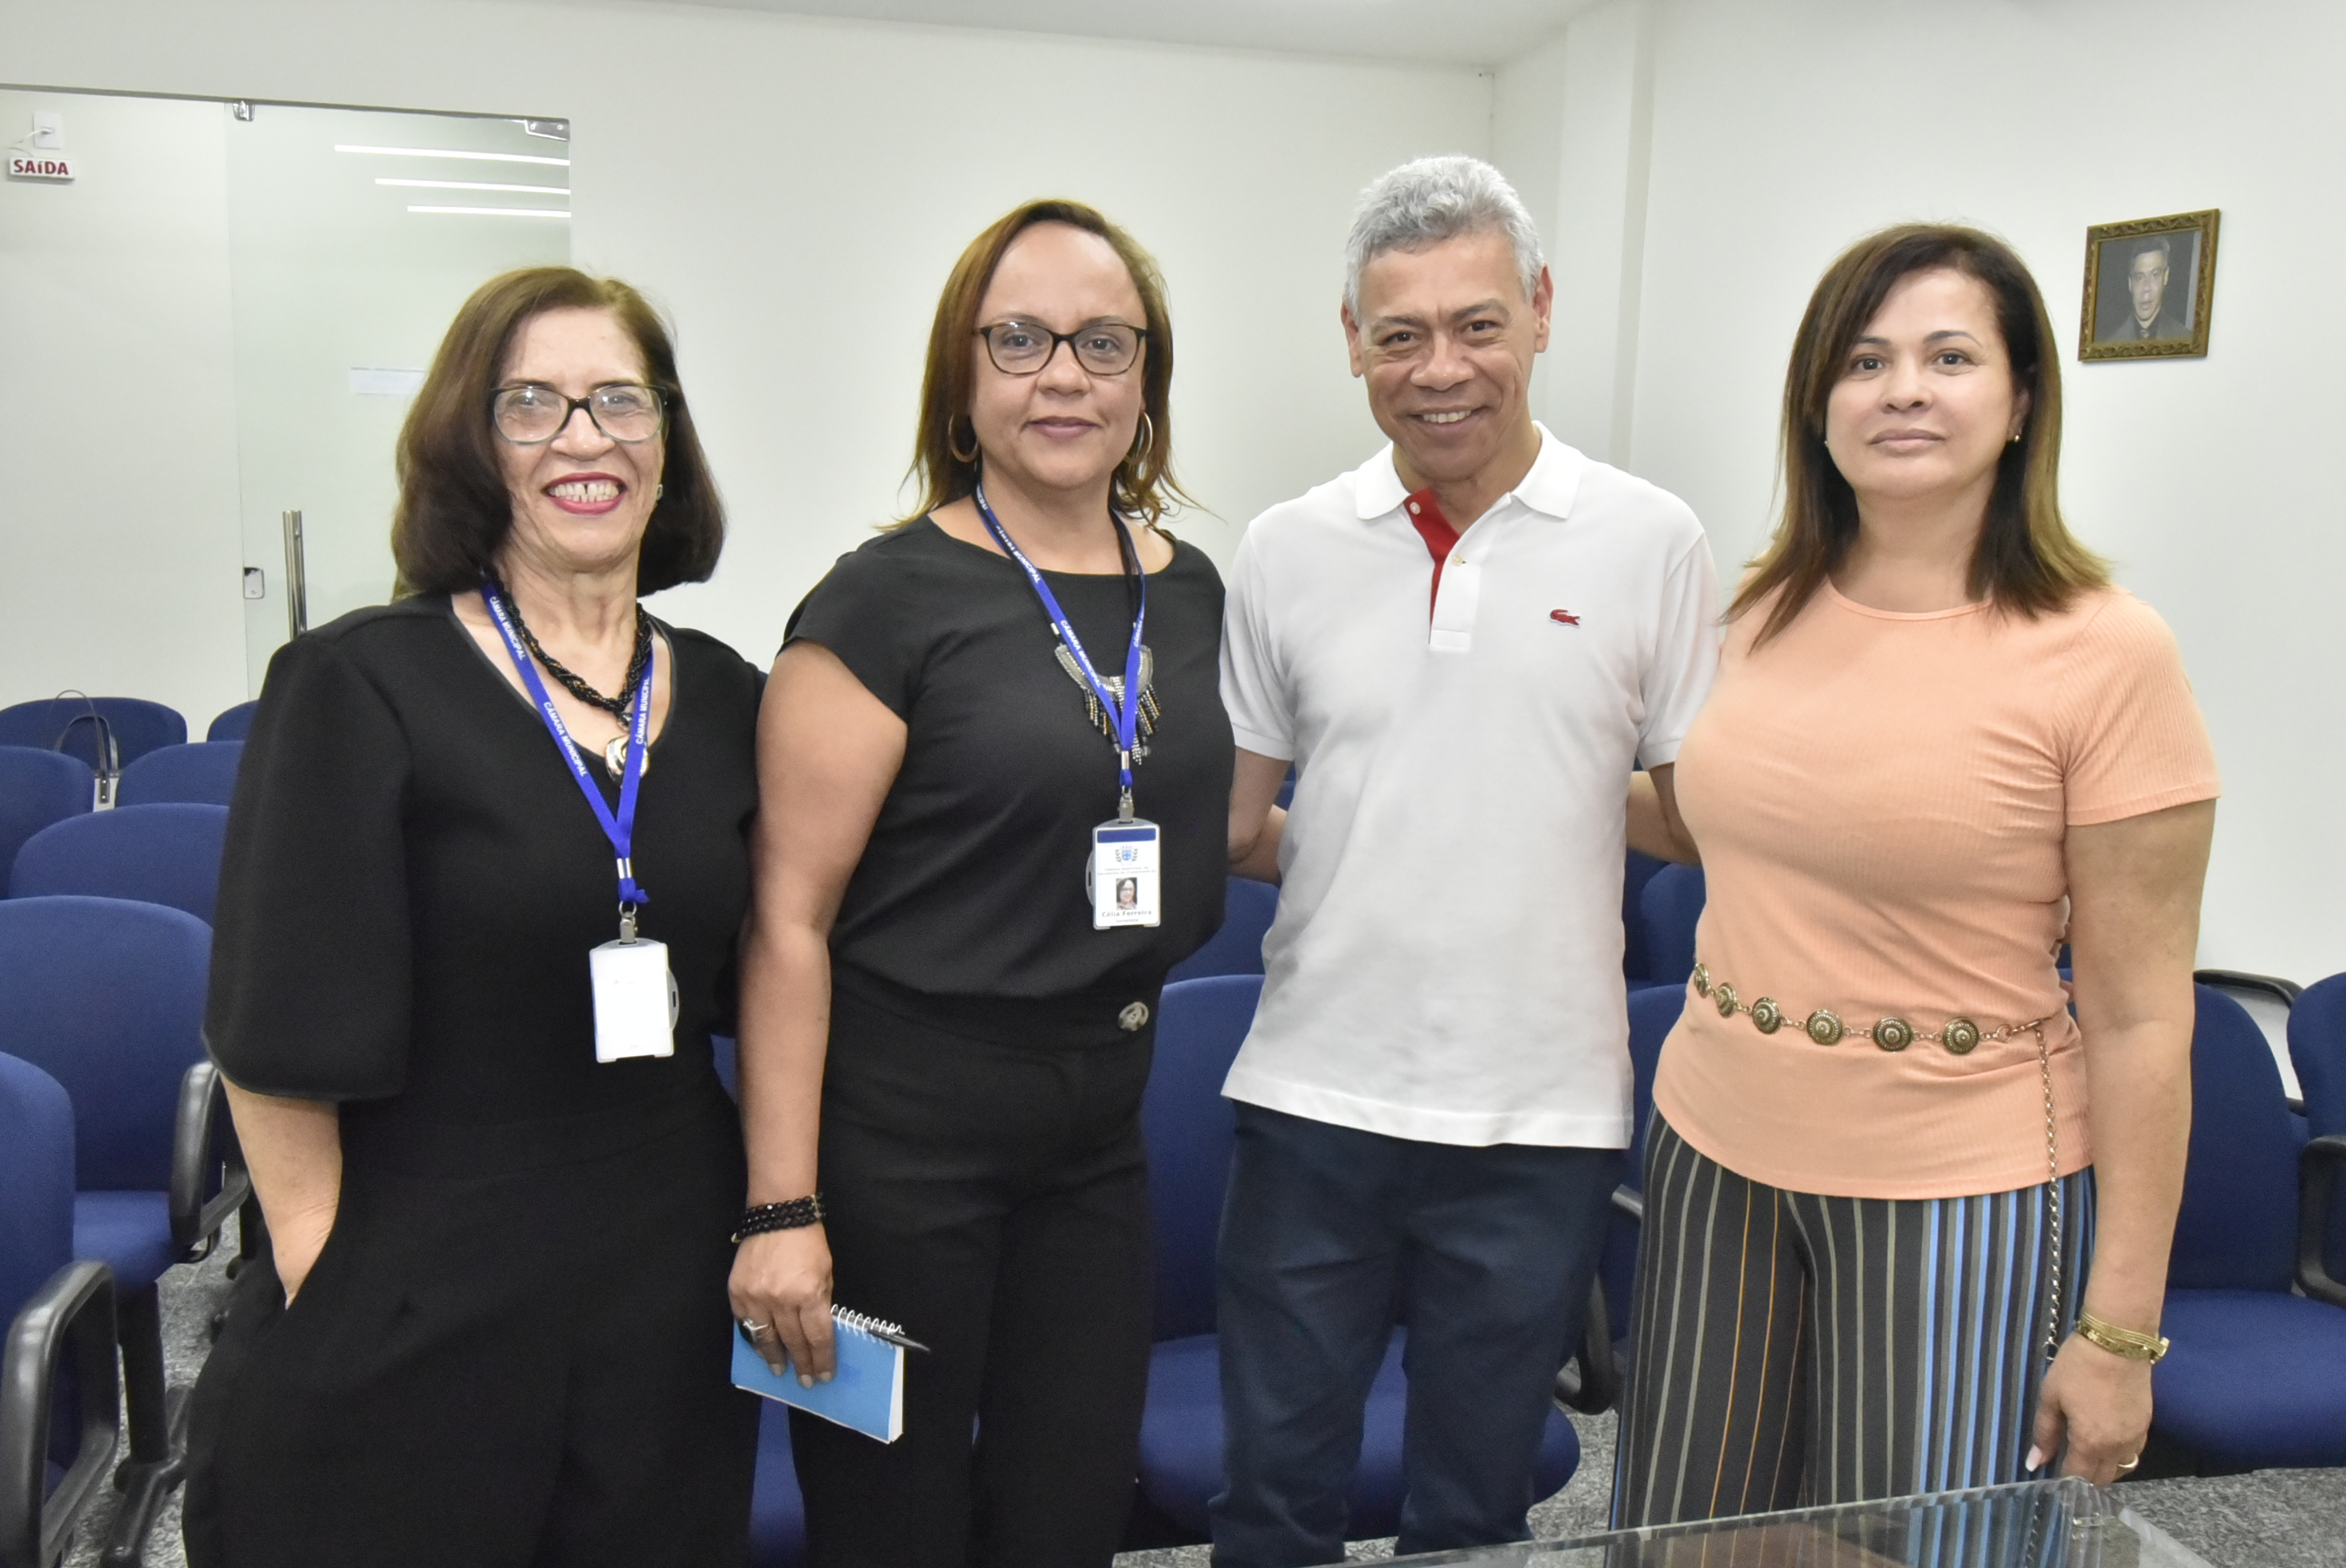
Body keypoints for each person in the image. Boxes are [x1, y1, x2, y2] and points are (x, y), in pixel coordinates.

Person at [1611, 225, 2218, 1526]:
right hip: (1713, 1149)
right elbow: (1723, 831)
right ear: (1816, 403)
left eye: (1948, 358)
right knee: (1683, 1536)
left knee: (1917, 1545)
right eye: (1864, 360)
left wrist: (2119, 1330)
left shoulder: (2107, 653)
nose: (1902, 390)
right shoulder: (1757, 611)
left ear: (2020, 401)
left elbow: (2139, 1016)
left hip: (1960, 1183)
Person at [184, 268, 763, 1566]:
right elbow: (273, 1026)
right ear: (471, 442)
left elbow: (776, 964)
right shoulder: (354, 682)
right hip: (420, 1262)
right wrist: (324, 1272)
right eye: (531, 405)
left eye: (620, 400)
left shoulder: (730, 695)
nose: (583, 438)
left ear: (666, 438)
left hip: (665, 1257)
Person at [1215, 155, 1719, 1564]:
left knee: (1475, 1513)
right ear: (1352, 341)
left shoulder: (1651, 540)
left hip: (1538, 1120)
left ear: (1541, 310)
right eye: (1400, 334)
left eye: (1477, 324)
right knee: (1271, 1501)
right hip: (1312, 1100)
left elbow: (1695, 819)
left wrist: (1544, 798)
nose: (1439, 369)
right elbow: (1237, 825)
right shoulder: (1285, 549)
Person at [727, 199, 1233, 1568]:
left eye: (1102, 342)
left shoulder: (1193, 590)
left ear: (1146, 378)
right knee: (881, 1521)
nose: (1062, 375)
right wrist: (781, 1210)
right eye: (1019, 339)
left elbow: (1221, 823)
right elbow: (786, 922)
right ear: (961, 377)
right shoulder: (876, 602)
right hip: (893, 1140)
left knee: (1067, 1507)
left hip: (1098, 1132)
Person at [2102, 235, 2191, 341]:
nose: (2146, 288)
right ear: (2130, 283)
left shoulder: (2186, 338)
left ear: (2166, 277)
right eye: (2139, 278)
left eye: (2155, 275)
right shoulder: (2110, 343)